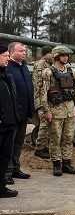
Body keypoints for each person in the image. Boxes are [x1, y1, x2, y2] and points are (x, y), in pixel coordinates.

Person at [40, 45, 75, 176]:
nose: (66, 57)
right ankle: (56, 164)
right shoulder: (48, 72)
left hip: (70, 110)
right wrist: (46, 111)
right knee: (55, 138)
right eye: (63, 55)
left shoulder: (70, 71)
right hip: (55, 110)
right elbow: (43, 93)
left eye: (67, 55)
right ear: (56, 56)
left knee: (68, 138)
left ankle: (67, 163)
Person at [5, 42, 34, 184]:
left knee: (18, 143)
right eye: (21, 51)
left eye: (24, 51)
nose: (24, 53)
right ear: (11, 52)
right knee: (9, 144)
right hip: (12, 113)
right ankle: (7, 172)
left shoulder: (24, 67)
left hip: (24, 112)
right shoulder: (7, 68)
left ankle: (16, 168)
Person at [0, 44, 20, 198]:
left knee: (5, 157)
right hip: (1, 124)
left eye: (8, 55)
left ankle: (1, 187)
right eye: (4, 55)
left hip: (10, 124)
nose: (8, 58)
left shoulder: (7, 75)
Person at [33, 46, 53, 159]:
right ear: (47, 54)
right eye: (51, 53)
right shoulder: (41, 65)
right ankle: (39, 149)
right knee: (44, 124)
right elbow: (40, 85)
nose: (53, 56)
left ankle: (44, 146)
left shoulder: (47, 64)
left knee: (47, 124)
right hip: (41, 98)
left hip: (45, 98)